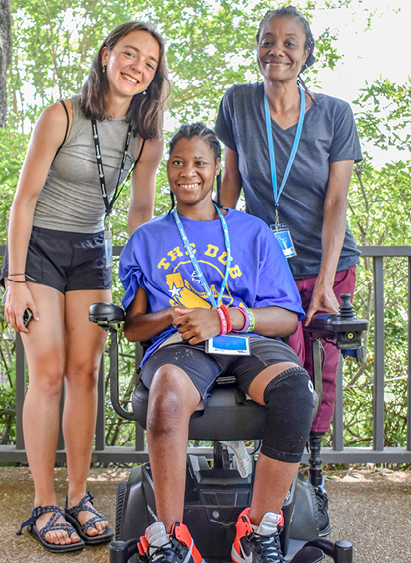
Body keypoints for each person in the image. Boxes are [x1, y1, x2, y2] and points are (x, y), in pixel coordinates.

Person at [119, 122, 317, 563]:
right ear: (167, 169)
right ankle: (170, 541)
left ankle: (256, 533)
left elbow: (285, 318)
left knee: (294, 390)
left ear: (216, 168)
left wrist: (225, 316)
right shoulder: (147, 238)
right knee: (167, 394)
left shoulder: (252, 232)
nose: (187, 172)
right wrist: (170, 315)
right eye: (177, 162)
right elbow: (133, 327)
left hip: (244, 338)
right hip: (181, 343)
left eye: (199, 163)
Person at [4, 21, 168, 554]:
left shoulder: (146, 138)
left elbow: (139, 213)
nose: (136, 66)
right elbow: (24, 200)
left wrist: (143, 283)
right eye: (128, 54)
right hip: (41, 253)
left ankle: (78, 498)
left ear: (151, 78)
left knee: (86, 372)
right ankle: (44, 503)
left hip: (92, 253)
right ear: (105, 57)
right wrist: (15, 282)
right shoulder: (62, 115)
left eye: (148, 62)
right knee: (48, 374)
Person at [214, 5, 362, 537]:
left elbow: (336, 202)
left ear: (306, 55)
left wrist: (324, 281)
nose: (277, 50)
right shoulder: (237, 102)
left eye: (290, 43)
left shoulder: (335, 114)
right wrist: (220, 259)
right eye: (267, 40)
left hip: (326, 263)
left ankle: (312, 474)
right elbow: (229, 183)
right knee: (274, 364)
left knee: (321, 368)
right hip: (263, 268)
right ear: (257, 47)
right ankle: (273, 469)